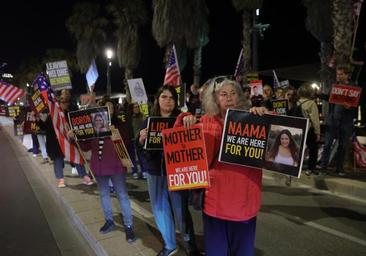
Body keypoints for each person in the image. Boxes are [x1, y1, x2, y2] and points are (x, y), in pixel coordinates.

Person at [176, 77, 267, 256]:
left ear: (240, 97)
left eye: (233, 93)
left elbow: (278, 138)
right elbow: (179, 141)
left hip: (244, 205)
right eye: (223, 94)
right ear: (215, 99)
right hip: (215, 204)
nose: (229, 98)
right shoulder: (206, 121)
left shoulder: (254, 119)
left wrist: (265, 116)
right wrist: (185, 119)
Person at [138, 85, 199, 256]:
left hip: (177, 173)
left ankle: (190, 245)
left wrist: (190, 120)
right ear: (157, 100)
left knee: (181, 212)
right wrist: (141, 140)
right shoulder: (148, 121)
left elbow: (194, 136)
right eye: (164, 97)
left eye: (171, 97)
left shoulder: (181, 119)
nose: (168, 100)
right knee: (159, 209)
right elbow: (141, 151)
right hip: (155, 172)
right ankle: (170, 244)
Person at [71, 97, 137, 243]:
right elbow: (86, 147)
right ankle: (109, 220)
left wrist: (115, 133)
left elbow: (127, 144)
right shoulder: (93, 127)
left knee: (122, 196)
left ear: (114, 111)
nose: (108, 111)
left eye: (111, 108)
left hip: (116, 167)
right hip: (99, 167)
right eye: (105, 108)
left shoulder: (121, 126)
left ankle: (128, 225)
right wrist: (77, 137)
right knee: (104, 194)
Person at [37, 96, 93, 188]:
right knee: (58, 160)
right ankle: (61, 179)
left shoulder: (69, 114)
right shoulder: (52, 115)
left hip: (69, 140)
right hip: (55, 142)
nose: (66, 104)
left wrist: (73, 131)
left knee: (76, 156)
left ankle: (84, 176)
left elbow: (76, 124)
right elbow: (44, 127)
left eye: (67, 102)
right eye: (64, 102)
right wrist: (38, 118)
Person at [319, 65, 357, 176]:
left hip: (346, 121)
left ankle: (339, 168)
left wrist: (350, 106)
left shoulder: (353, 87)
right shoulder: (334, 86)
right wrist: (320, 94)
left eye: (341, 74)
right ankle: (323, 168)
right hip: (333, 119)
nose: (338, 76)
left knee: (343, 145)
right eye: (337, 74)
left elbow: (356, 103)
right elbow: (330, 97)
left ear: (347, 75)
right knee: (327, 145)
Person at [295, 83, 321, 175]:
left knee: (298, 148)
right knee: (313, 149)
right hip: (308, 130)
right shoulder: (311, 103)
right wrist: (317, 133)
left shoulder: (297, 102)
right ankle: (311, 168)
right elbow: (315, 119)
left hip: (298, 129)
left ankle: (295, 166)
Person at [130, 102, 147, 179]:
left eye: (138, 107)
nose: (137, 108)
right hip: (132, 139)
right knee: (132, 156)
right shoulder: (130, 117)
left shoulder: (142, 116)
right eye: (135, 107)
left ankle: (144, 171)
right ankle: (134, 171)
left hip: (141, 139)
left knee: (142, 156)